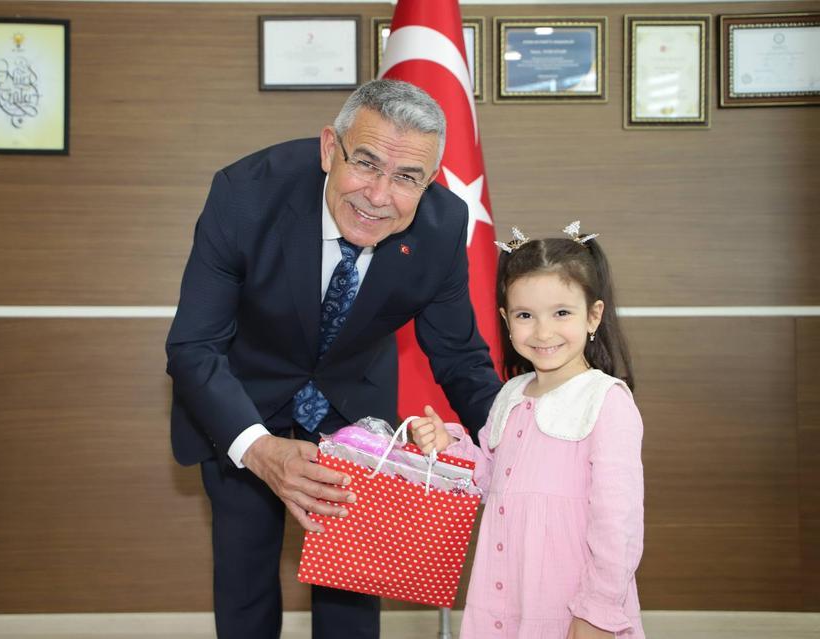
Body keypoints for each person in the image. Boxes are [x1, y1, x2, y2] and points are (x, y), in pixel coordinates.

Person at [165, 79, 502, 639]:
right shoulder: (246, 195)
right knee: (245, 580)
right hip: (242, 400)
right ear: (329, 148)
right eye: (366, 163)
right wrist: (259, 449)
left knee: (351, 596)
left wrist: (517, 438)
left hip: (353, 405)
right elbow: (194, 346)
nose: (378, 195)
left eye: (407, 177)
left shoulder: (442, 226)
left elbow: (460, 357)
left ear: (430, 181)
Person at [411, 223, 645, 638]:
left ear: (593, 315)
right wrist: (449, 444)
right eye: (525, 315)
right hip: (503, 597)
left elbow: (618, 524)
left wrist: (597, 611)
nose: (542, 332)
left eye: (561, 313)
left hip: (568, 605)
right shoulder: (510, 394)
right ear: (506, 319)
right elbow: (489, 479)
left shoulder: (606, 401)